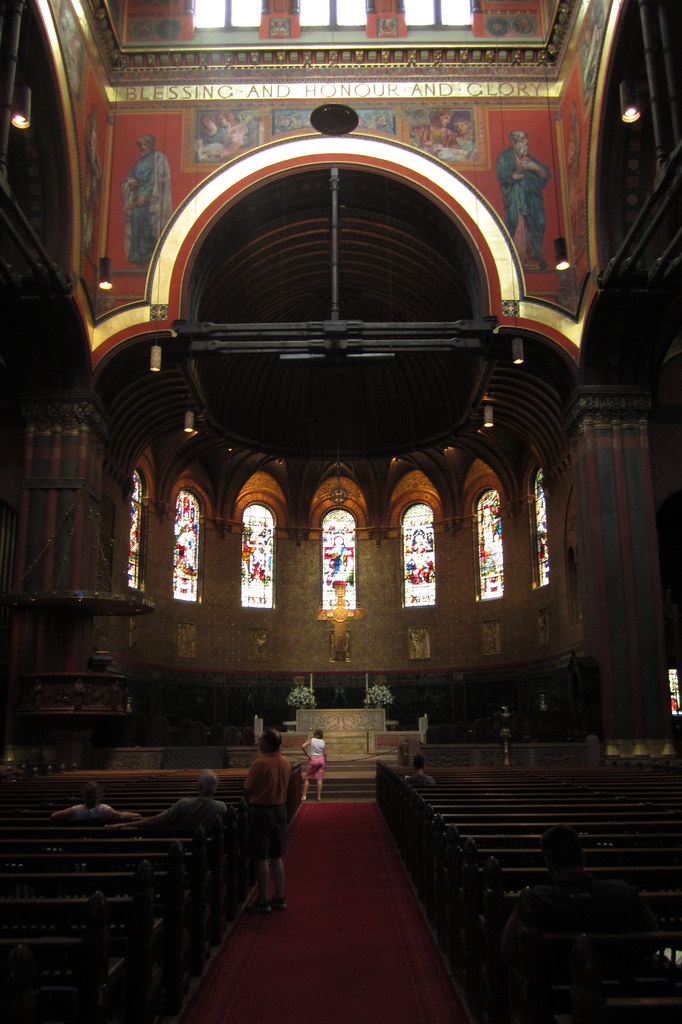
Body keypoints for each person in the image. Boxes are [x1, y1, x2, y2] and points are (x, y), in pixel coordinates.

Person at [501, 824, 658, 965]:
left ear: (549, 863)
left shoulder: (535, 899)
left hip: (551, 988)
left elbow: (508, 951)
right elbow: (653, 937)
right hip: (626, 985)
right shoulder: (624, 892)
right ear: (583, 857)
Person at [243, 728, 291, 913]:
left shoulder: (260, 763)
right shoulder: (285, 762)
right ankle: (279, 896)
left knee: (261, 856)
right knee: (276, 856)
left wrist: (248, 802)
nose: (258, 743)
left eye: (261, 741)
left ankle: (262, 899)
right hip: (280, 810)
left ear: (267, 744)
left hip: (261, 810)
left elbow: (247, 789)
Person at [496, 129, 551, 270]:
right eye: (519, 139)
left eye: (524, 139)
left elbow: (545, 175)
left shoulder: (530, 159)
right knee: (519, 225)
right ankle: (520, 257)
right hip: (516, 201)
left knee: (535, 223)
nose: (523, 142)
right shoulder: (505, 157)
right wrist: (514, 176)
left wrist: (535, 167)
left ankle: (533, 257)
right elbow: (503, 175)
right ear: (513, 142)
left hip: (532, 200)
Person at [106, 768, 227, 830]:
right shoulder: (221, 807)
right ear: (215, 788)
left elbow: (157, 820)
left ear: (199, 785)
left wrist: (126, 825)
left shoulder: (183, 804)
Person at [121, 133, 172, 265]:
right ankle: (137, 253)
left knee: (148, 222)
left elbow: (163, 178)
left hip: (151, 198)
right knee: (135, 217)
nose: (142, 148)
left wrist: (149, 194)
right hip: (138, 197)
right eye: (141, 145)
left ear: (151, 145)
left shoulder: (158, 158)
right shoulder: (139, 162)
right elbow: (130, 177)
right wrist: (131, 182)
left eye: (145, 145)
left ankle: (148, 251)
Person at [50, 781, 141, 824]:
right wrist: (135, 815)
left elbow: (55, 816)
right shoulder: (104, 809)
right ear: (99, 795)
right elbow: (119, 816)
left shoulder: (76, 809)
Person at [301, 728, 327, 801]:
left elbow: (303, 746)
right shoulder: (323, 742)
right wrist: (325, 762)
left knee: (308, 778)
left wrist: (307, 754)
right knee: (319, 779)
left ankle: (304, 796)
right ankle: (319, 797)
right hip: (321, 760)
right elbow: (325, 754)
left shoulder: (312, 740)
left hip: (313, 759)